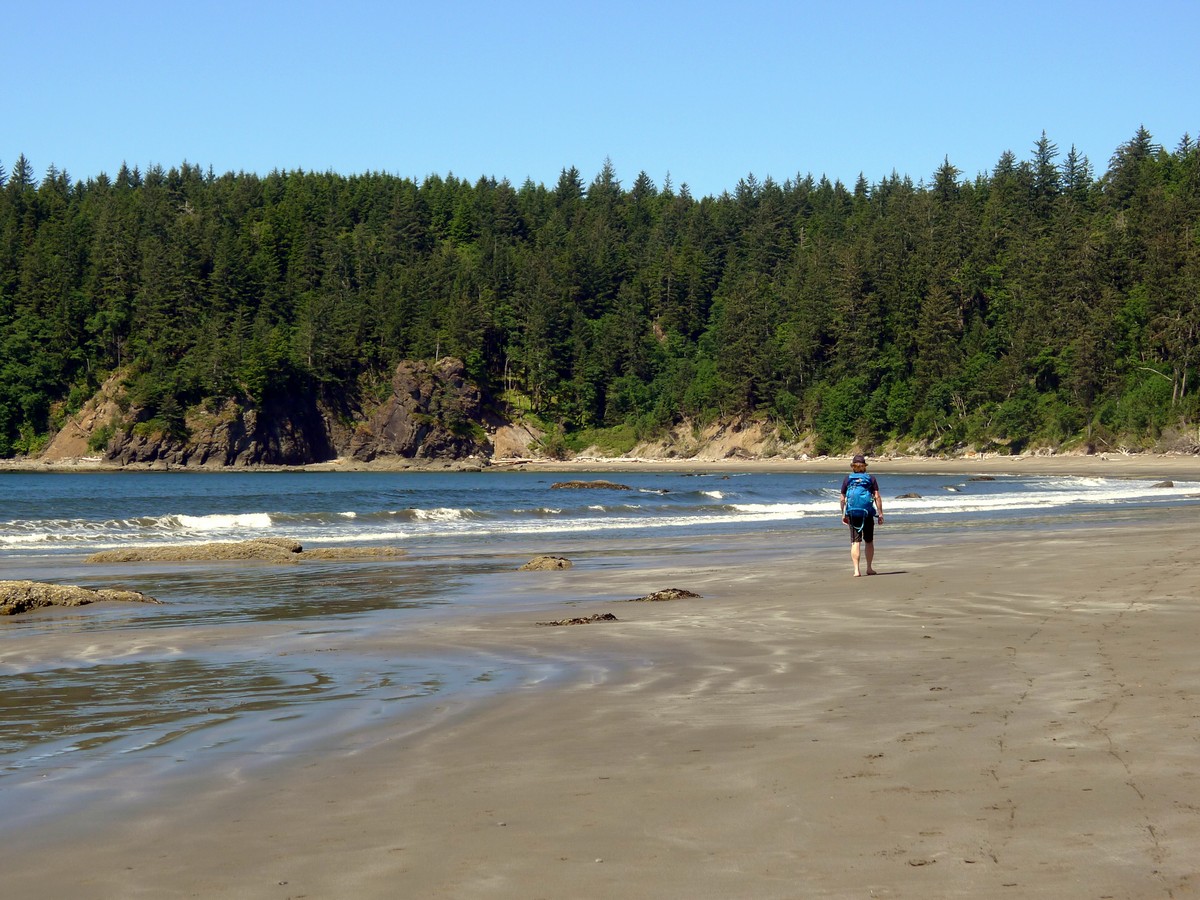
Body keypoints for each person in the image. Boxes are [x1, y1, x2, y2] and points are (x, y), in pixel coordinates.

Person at [840, 453, 883, 577]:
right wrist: (880, 514)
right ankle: (869, 568)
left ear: (853, 466)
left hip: (853, 513)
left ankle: (856, 570)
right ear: (864, 466)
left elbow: (842, 498)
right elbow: (877, 497)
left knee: (855, 542)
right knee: (869, 541)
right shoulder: (871, 478)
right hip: (867, 513)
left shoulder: (847, 479)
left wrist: (843, 513)